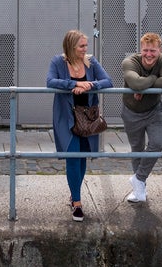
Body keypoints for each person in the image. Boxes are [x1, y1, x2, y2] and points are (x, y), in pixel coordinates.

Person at [46, 29, 113, 221]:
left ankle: (74, 194)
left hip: (88, 120)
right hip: (67, 118)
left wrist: (91, 85)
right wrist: (73, 85)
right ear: (71, 47)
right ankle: (77, 202)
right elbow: (50, 81)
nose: (85, 49)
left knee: (83, 157)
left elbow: (108, 81)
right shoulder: (58, 62)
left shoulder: (91, 62)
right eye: (81, 46)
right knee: (72, 156)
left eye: (86, 45)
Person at [120, 32, 162, 203]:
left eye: (153, 51)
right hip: (131, 112)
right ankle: (139, 190)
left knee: (158, 143)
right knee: (136, 148)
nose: (149, 54)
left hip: (154, 110)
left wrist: (145, 83)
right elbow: (136, 83)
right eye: (146, 50)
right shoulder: (130, 62)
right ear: (140, 49)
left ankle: (138, 179)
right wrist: (153, 78)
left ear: (160, 50)